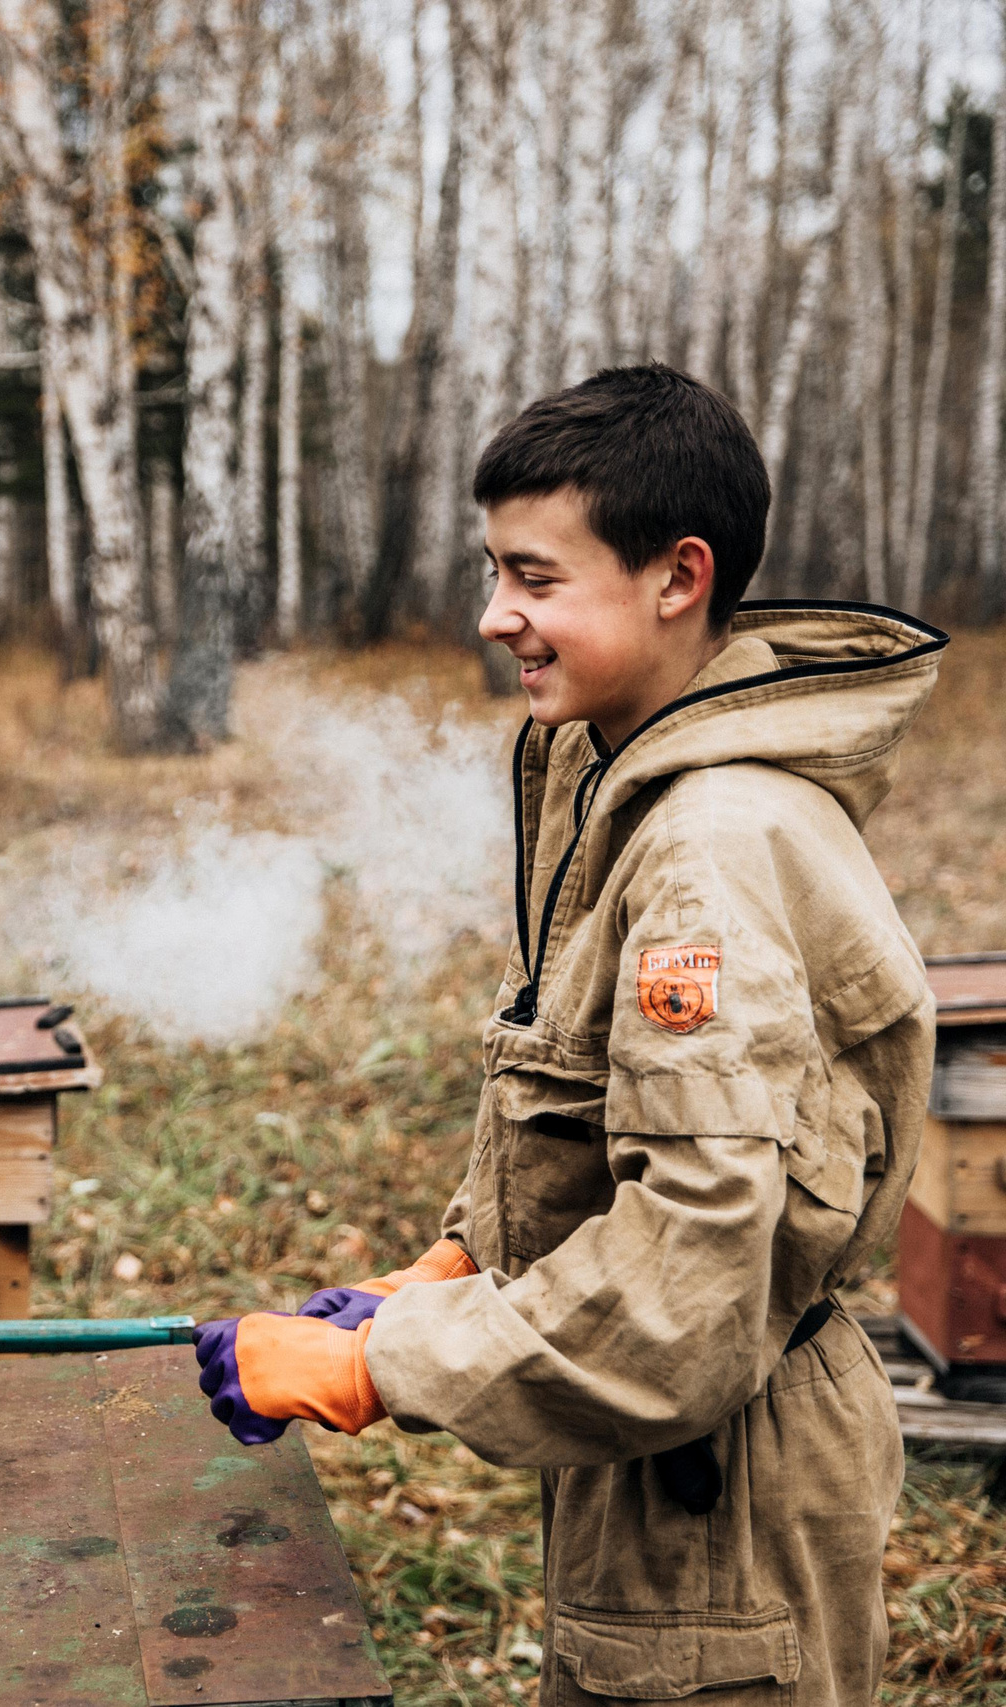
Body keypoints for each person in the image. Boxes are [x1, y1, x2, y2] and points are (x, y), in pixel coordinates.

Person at [192, 366, 945, 1702]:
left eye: (534, 578)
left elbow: (688, 1288)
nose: (496, 615)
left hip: (719, 1500)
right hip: (686, 1467)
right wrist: (458, 1266)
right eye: (495, 572)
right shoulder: (641, 786)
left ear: (678, 578)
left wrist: (375, 1364)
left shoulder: (705, 855)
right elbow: (605, 1125)